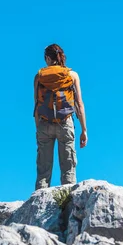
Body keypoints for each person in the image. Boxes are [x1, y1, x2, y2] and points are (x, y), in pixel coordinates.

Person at [33, 44, 88, 190]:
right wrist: (84, 130)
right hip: (65, 123)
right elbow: (79, 104)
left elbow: (37, 106)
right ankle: (68, 206)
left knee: (43, 172)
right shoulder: (72, 75)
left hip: (44, 124)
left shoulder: (39, 76)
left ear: (48, 58)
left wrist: (38, 128)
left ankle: (39, 205)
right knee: (68, 169)